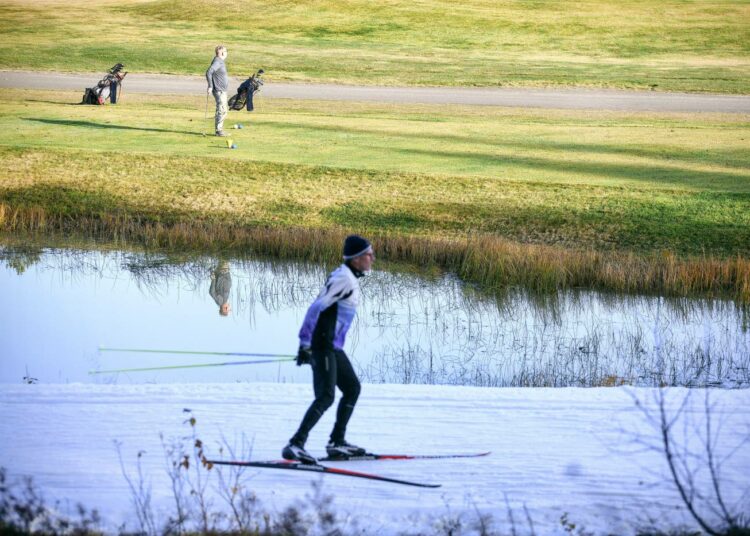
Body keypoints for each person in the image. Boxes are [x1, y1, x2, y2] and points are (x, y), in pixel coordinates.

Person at [282, 235, 376, 464]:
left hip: (333, 346)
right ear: (355, 259)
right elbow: (316, 307)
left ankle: (337, 442)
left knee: (352, 388)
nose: (372, 258)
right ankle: (296, 444)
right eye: (368, 254)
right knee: (325, 396)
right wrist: (306, 344)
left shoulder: (348, 278)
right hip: (323, 346)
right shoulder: (344, 278)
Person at [206, 45, 229, 137]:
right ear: (222, 53)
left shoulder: (219, 61)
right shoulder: (218, 62)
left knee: (222, 109)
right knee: (222, 110)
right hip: (219, 90)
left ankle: (219, 130)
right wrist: (210, 86)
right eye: (226, 51)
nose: (227, 53)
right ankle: (219, 131)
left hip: (222, 90)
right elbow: (209, 72)